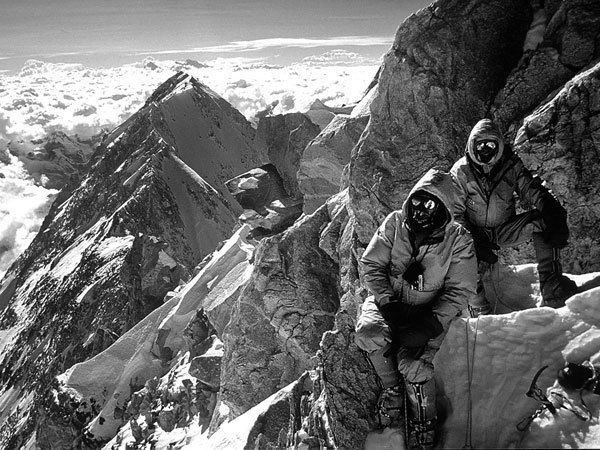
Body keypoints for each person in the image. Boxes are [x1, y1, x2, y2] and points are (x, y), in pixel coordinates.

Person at [355, 169, 477, 449]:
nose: (421, 211)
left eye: (430, 204)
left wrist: (431, 325)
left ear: (443, 207)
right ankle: (393, 390)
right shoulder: (394, 224)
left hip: (430, 312)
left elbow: (460, 289)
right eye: (417, 203)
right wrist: (386, 302)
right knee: (369, 333)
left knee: (415, 366)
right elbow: (372, 265)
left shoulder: (458, 240)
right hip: (391, 303)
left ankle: (424, 421)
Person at [450, 118, 577, 314]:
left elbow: (530, 188)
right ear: (472, 145)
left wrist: (552, 209)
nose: (485, 149)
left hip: (504, 229)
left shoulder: (510, 165)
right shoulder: (461, 171)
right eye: (480, 144)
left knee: (542, 221)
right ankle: (477, 306)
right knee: (459, 246)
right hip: (475, 233)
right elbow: (454, 213)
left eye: (490, 144)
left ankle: (552, 287)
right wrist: (474, 239)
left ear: (499, 145)